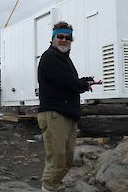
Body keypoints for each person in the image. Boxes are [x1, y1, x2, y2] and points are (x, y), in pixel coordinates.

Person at [37, 21, 102, 192]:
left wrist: (84, 82)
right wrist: (83, 83)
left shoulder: (64, 59)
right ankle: (49, 187)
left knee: (66, 159)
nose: (64, 40)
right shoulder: (50, 57)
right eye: (61, 37)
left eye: (68, 37)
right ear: (53, 38)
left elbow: (70, 82)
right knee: (57, 158)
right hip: (54, 114)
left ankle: (55, 186)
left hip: (67, 114)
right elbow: (69, 82)